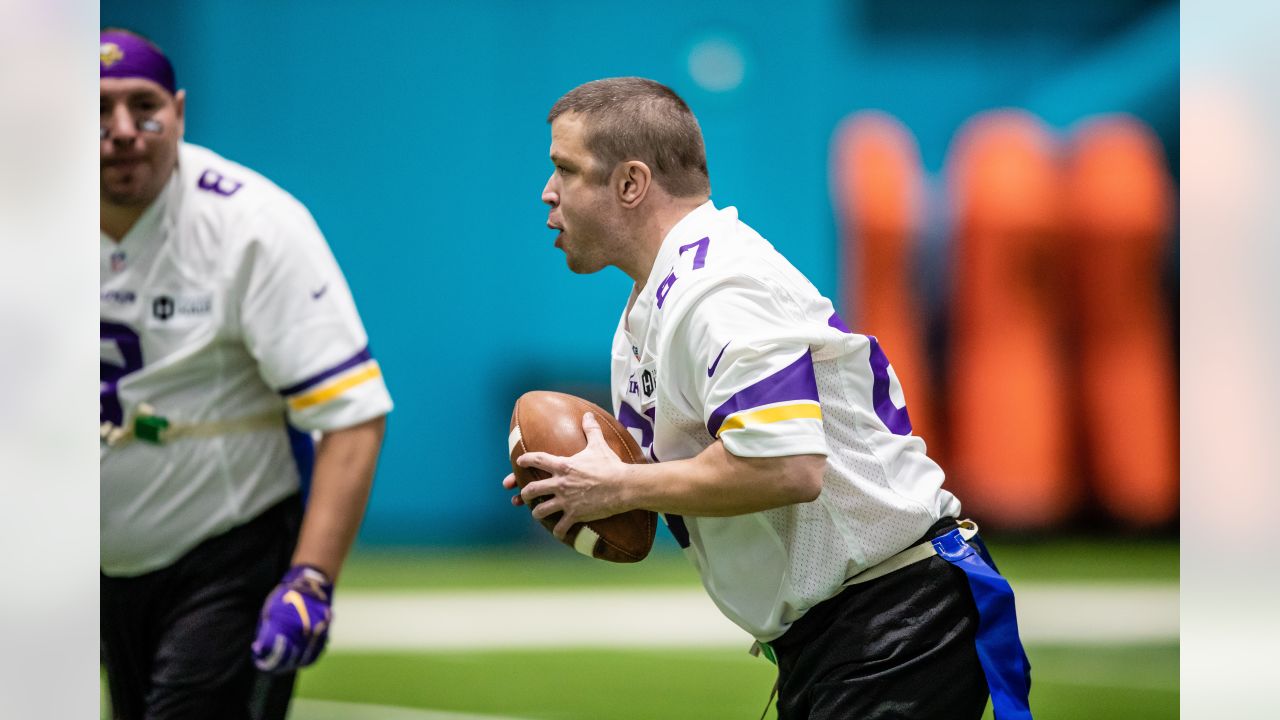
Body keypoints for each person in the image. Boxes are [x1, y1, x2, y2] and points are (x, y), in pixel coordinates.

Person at [503, 77, 1033, 719]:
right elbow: (680, 483)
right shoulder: (657, 304)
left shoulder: (720, 290)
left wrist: (619, 490)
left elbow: (786, 466)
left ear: (630, 183)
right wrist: (577, 482)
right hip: (851, 628)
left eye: (566, 168)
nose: (548, 192)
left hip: (896, 619)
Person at [100, 29, 392, 720]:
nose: (120, 132)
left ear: (177, 110)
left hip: (225, 550)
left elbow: (352, 415)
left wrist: (311, 580)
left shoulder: (253, 226)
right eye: (97, 109)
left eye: (142, 107)